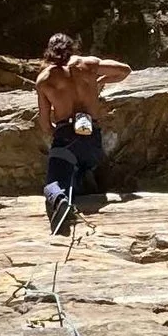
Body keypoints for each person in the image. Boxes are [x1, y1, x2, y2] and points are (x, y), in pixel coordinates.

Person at [37, 32, 132, 232]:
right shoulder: (88, 64)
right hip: (92, 136)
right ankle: (85, 180)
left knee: (53, 184)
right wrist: (97, 82)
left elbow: (45, 125)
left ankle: (61, 200)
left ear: (49, 52)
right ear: (72, 47)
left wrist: (62, 138)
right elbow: (125, 70)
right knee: (82, 166)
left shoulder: (44, 80)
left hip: (66, 135)